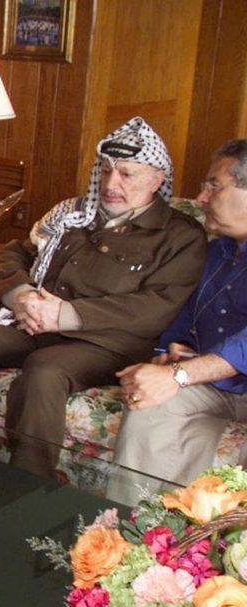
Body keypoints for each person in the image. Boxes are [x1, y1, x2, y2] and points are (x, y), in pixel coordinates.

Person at [0, 117, 207, 479]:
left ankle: (22, 491)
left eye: (126, 174)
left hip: (107, 343)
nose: (111, 184)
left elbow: (156, 308)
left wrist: (66, 314)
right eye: (105, 171)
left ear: (157, 179)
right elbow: (14, 254)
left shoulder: (180, 236)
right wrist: (21, 295)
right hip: (34, 324)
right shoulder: (72, 214)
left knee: (45, 371)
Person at [114, 139, 247, 483]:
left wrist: (180, 375)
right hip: (217, 382)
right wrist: (169, 354)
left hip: (213, 376)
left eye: (214, 186)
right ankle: (135, 517)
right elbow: (183, 311)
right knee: (148, 403)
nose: (201, 198)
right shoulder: (216, 252)